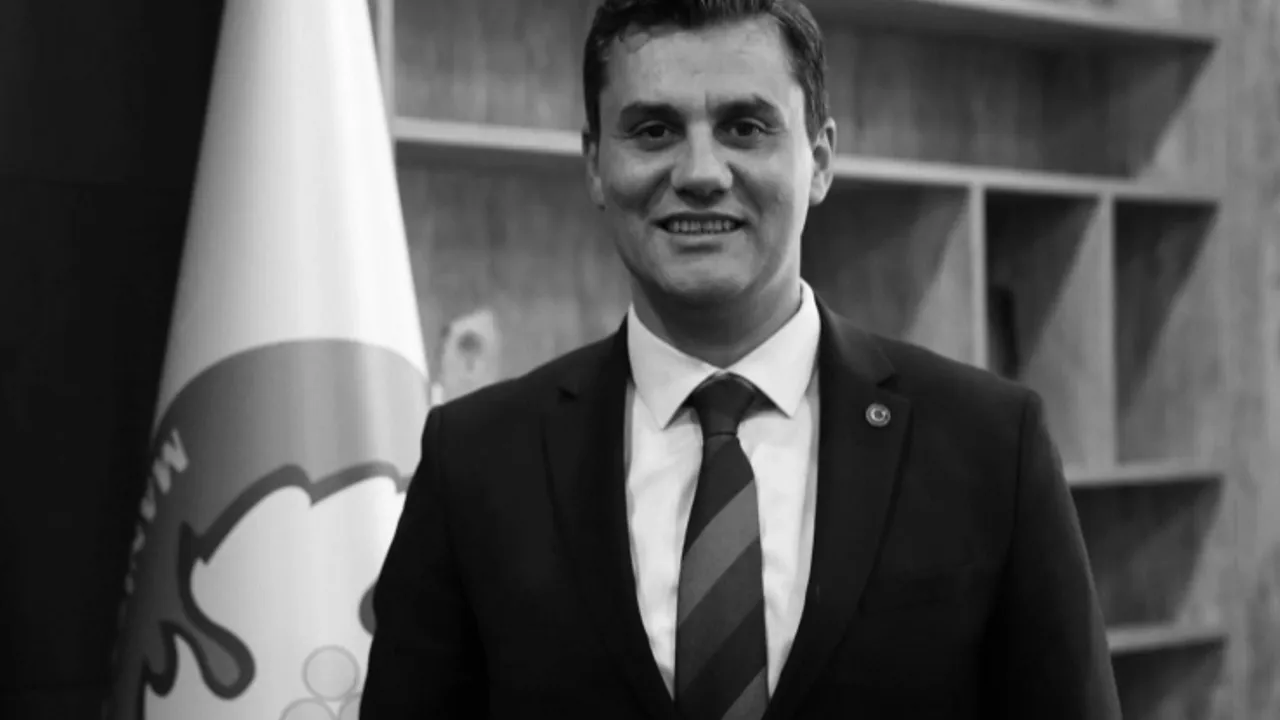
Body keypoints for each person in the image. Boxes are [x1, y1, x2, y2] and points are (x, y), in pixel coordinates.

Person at [361, 0, 1122, 718]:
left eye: (746, 127)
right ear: (594, 164)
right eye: (653, 130)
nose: (700, 172)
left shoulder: (993, 445)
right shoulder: (474, 462)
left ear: (819, 160)